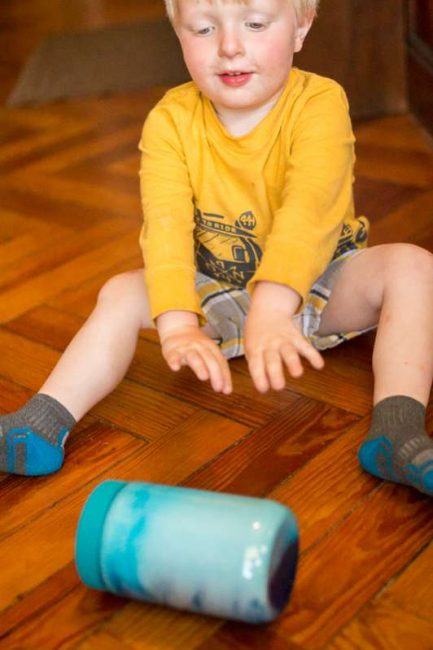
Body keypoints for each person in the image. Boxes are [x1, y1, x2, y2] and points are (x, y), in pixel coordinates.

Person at [1, 0, 433, 496]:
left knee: (414, 267)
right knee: (120, 294)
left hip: (321, 281)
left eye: (253, 24)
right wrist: (178, 324)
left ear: (301, 26)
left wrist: (274, 308)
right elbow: (164, 229)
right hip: (221, 292)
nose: (230, 47)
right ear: (178, 32)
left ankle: (397, 426)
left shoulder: (321, 102)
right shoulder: (170, 120)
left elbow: (309, 209)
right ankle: (41, 421)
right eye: (204, 28)